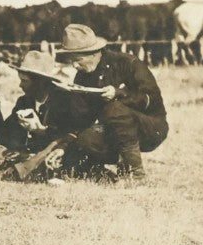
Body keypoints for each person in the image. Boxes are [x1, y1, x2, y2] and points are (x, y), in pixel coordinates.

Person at [55, 23, 169, 180]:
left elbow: (152, 100)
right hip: (113, 130)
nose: (74, 66)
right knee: (84, 139)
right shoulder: (82, 75)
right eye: (71, 61)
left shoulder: (127, 63)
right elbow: (79, 118)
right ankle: (106, 174)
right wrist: (63, 146)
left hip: (150, 127)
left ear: (94, 53)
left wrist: (119, 94)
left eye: (78, 60)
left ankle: (136, 174)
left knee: (114, 109)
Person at [0, 49, 96, 181]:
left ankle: (20, 171)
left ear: (40, 81)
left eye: (24, 81)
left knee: (56, 145)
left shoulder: (64, 100)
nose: (20, 85)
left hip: (57, 151)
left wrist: (40, 130)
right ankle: (25, 167)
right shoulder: (24, 101)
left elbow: (70, 134)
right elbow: (7, 126)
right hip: (28, 153)